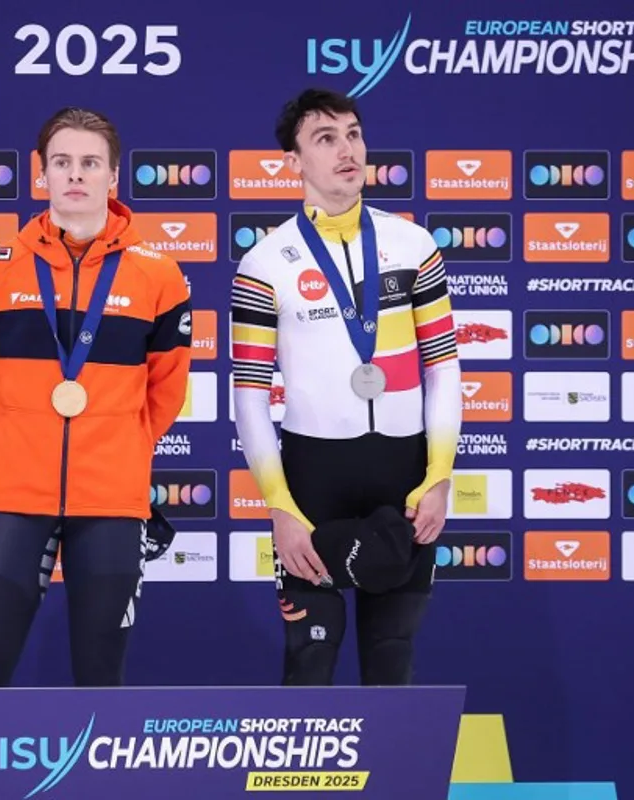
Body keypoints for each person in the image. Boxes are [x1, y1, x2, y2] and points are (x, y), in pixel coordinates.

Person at [0, 106, 192, 687]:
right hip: (16, 491)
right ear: (42, 173)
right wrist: (20, 440)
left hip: (112, 499)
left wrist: (114, 445)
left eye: (90, 163)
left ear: (113, 176)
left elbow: (166, 390)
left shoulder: (159, 275)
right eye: (62, 162)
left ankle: (100, 783)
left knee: (100, 674)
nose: (75, 175)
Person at [230, 88, 462, 686]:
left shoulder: (414, 246)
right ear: (294, 162)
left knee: (392, 656)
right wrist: (279, 507)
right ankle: (305, 785)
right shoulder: (265, 263)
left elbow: (443, 368)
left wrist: (438, 478)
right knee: (309, 658)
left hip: (406, 474)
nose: (345, 150)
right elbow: (251, 395)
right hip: (312, 480)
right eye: (325, 138)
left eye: (353, 134)